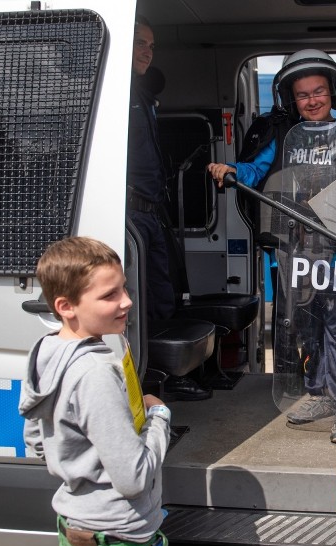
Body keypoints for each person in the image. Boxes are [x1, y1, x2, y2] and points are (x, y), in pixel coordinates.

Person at [208, 50, 336, 444]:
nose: (312, 100)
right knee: (307, 328)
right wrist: (230, 170)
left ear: (334, 93)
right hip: (300, 251)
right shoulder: (283, 138)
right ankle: (320, 393)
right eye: (302, 95)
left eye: (319, 92)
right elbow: (254, 170)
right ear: (290, 100)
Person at [19, 237, 171, 546]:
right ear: (65, 306)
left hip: (79, 529)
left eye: (124, 289)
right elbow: (133, 478)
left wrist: (80, 465)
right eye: (109, 295)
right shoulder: (96, 373)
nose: (127, 302)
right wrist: (159, 416)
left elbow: (36, 440)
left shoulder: (46, 352)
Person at [128, 16, 210, 400]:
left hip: (150, 211)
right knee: (138, 301)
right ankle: (145, 386)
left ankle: (165, 378)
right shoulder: (115, 94)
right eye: (140, 43)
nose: (148, 51)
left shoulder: (141, 96)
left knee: (163, 293)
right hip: (130, 216)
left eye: (151, 45)